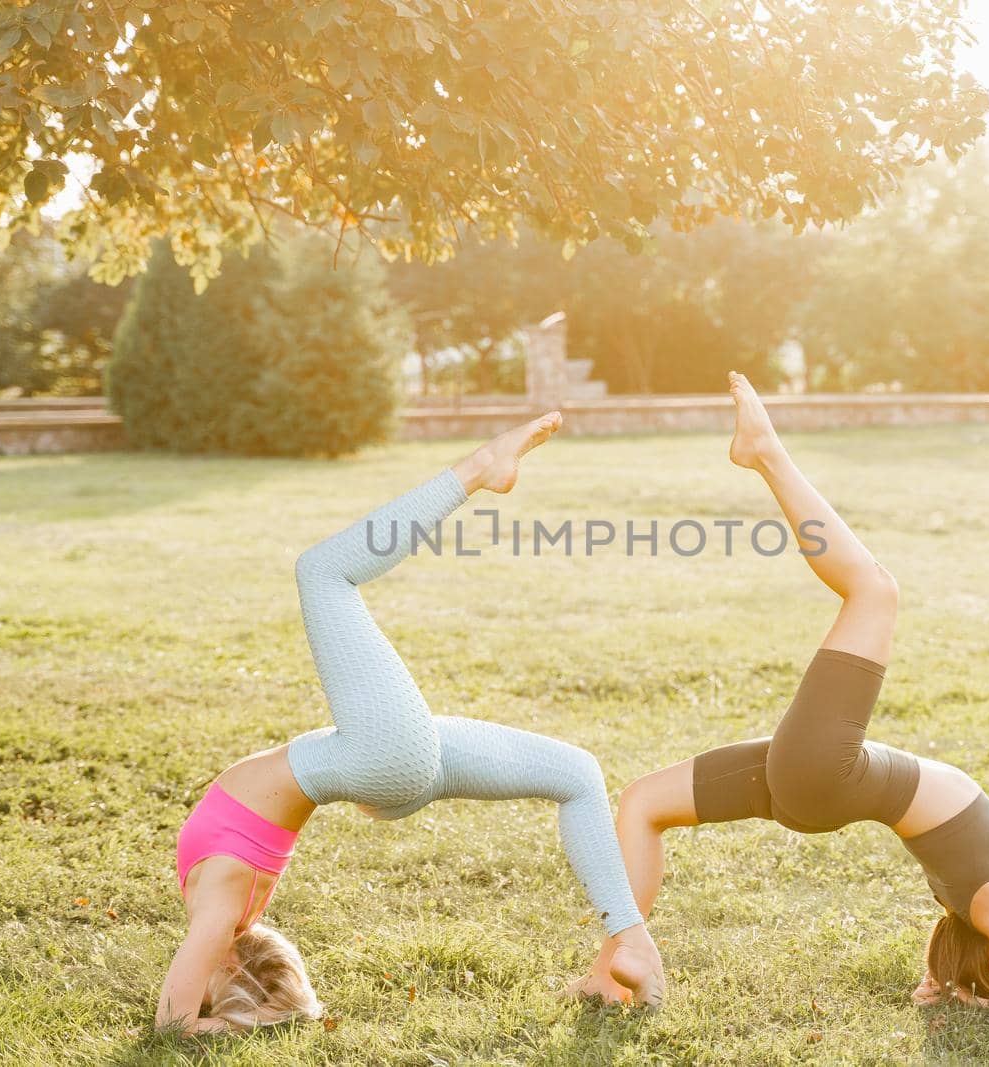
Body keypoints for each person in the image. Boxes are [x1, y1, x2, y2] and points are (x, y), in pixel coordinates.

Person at [568, 375, 989, 1017]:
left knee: (875, 590)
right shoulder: (980, 914)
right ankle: (614, 971)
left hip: (831, 771)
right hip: (821, 777)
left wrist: (976, 1006)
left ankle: (766, 453)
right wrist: (954, 986)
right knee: (643, 802)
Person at [158, 413, 665, 1033]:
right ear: (228, 970)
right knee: (321, 572)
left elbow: (183, 1002)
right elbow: (173, 1025)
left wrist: (223, 1003)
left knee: (577, 773)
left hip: (380, 759)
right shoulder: (223, 908)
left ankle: (630, 941)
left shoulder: (225, 910)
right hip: (378, 756)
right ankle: (479, 469)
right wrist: (222, 1018)